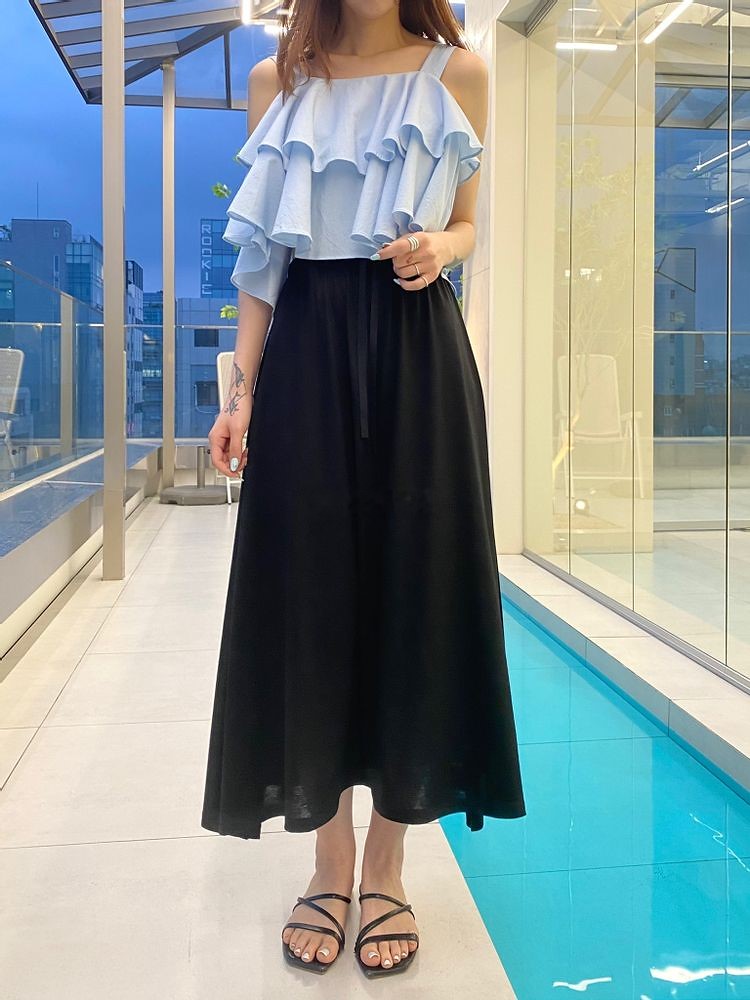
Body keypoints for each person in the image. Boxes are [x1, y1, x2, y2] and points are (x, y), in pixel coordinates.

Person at [201, 0, 527, 979]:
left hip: (415, 349)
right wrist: (240, 395)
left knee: (413, 591)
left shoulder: (458, 72)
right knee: (310, 593)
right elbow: (263, 261)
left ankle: (386, 862)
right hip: (306, 352)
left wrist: (444, 249)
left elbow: (467, 224)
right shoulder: (278, 81)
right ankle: (328, 857)